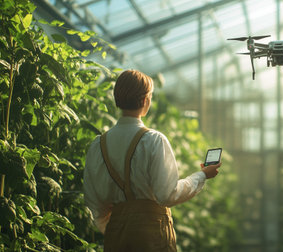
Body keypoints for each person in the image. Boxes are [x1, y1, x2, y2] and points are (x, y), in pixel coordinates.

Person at [83, 69, 221, 251]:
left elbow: (94, 206)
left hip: (115, 237)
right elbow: (167, 195)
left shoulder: (97, 146)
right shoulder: (154, 140)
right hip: (152, 236)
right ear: (144, 100)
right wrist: (201, 175)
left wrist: (119, 228)